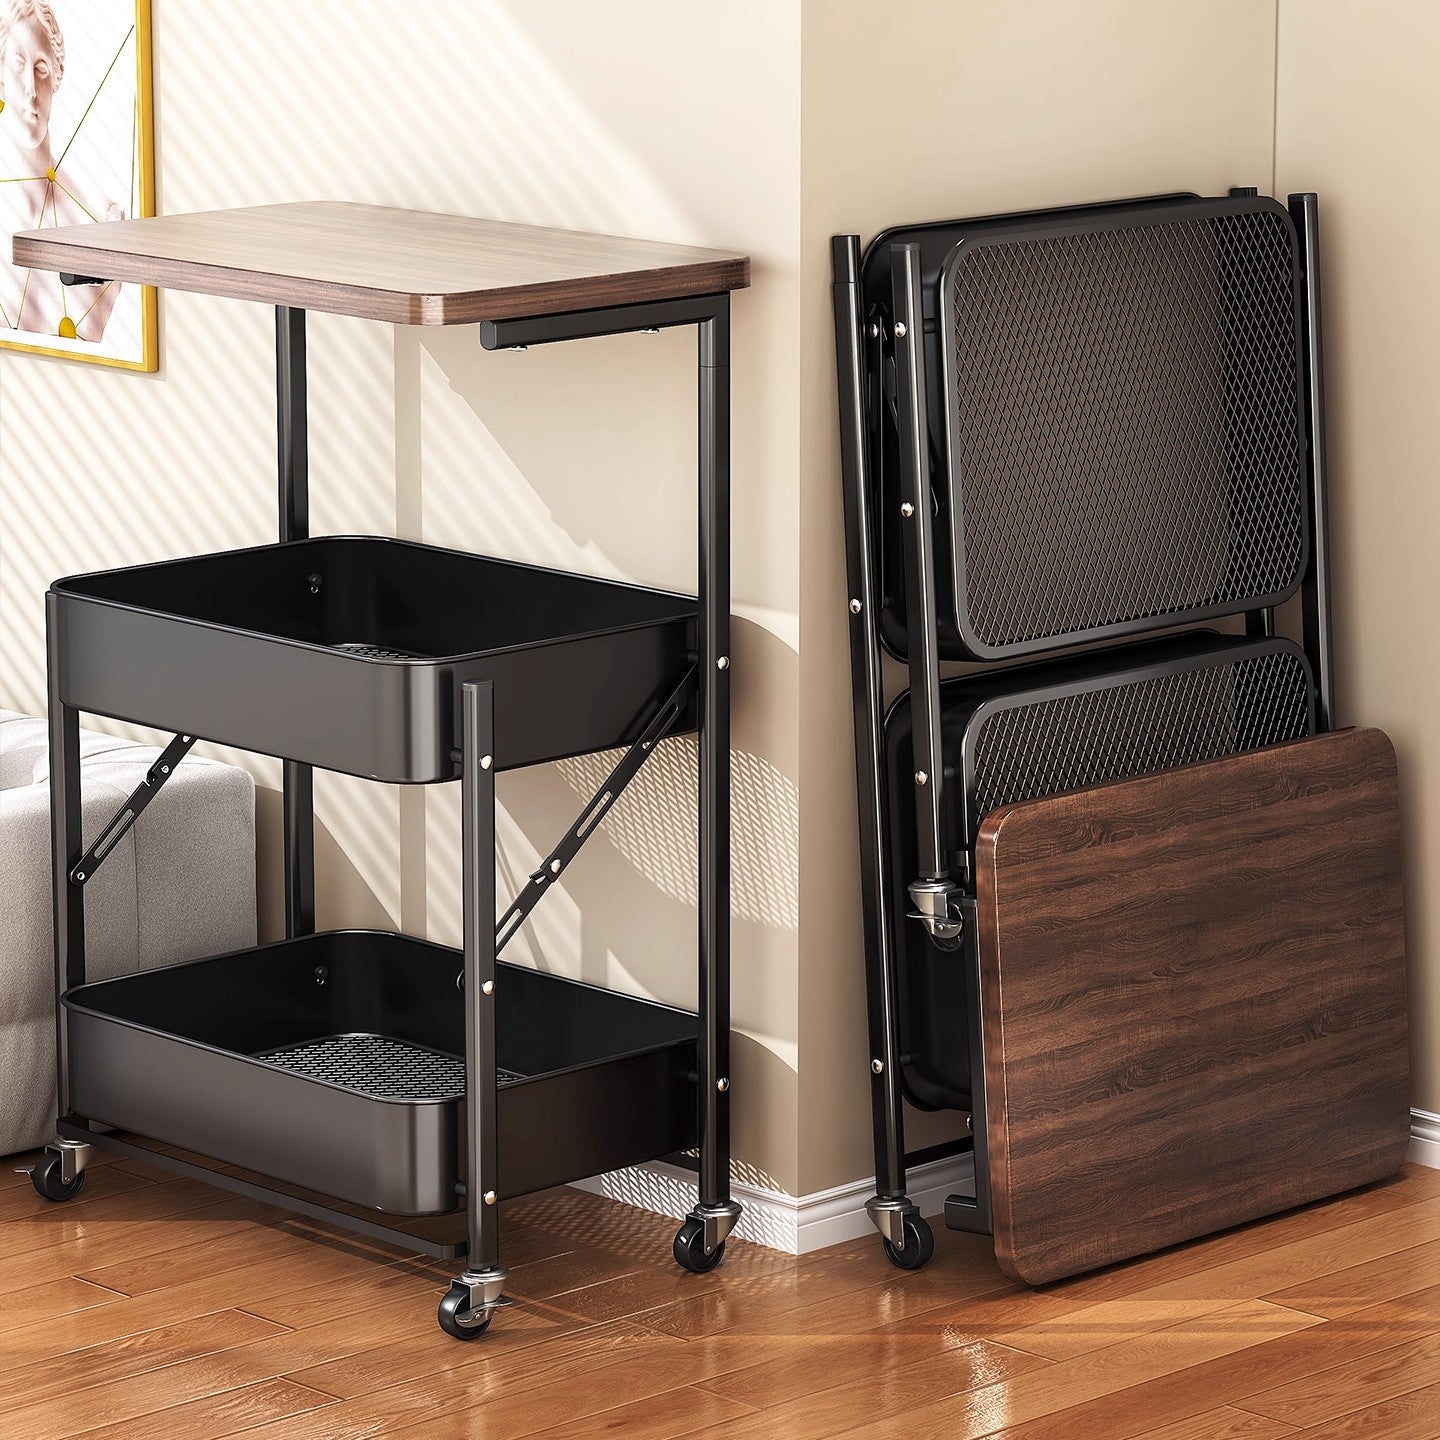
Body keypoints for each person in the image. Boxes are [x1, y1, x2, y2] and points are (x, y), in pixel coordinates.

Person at [0, 0, 123, 340]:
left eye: (41, 69)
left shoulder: (97, 220)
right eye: (17, 63)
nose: (29, 89)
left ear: (56, 77)